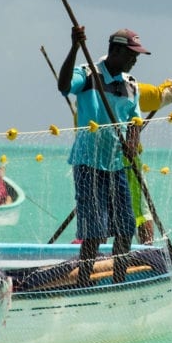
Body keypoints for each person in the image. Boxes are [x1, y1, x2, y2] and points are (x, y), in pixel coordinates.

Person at [58, 26, 146, 285]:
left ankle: (119, 281)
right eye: (131, 54)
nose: (135, 60)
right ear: (116, 50)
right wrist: (74, 47)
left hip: (116, 164)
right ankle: (84, 282)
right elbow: (63, 86)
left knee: (125, 228)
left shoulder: (131, 84)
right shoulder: (87, 74)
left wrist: (132, 141)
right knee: (95, 232)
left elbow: (135, 120)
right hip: (89, 163)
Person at [131, 64, 172, 244]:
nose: (133, 61)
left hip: (99, 160)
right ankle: (144, 250)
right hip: (121, 160)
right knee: (138, 210)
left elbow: (161, 96)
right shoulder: (126, 87)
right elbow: (162, 96)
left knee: (135, 210)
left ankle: (144, 252)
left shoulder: (90, 88)